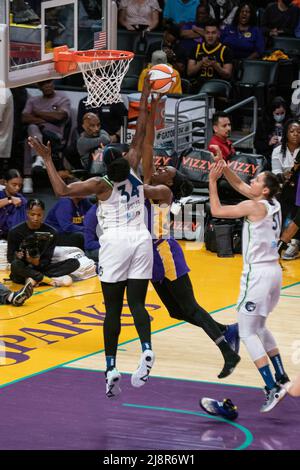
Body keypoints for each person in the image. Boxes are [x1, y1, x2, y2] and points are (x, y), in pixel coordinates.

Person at [28, 79, 161, 398]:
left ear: (105, 164)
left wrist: (47, 158)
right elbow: (141, 132)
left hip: (115, 242)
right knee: (138, 303)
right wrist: (145, 99)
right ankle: (145, 347)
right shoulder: (133, 170)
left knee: (113, 310)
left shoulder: (100, 184)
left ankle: (111, 366)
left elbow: (60, 191)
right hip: (141, 239)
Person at [140, 94, 241, 379]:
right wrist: (150, 115)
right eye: (159, 167)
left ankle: (228, 353)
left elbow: (145, 153)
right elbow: (147, 149)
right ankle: (225, 330)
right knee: (176, 311)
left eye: (165, 169)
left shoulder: (162, 192)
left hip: (165, 253)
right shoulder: (155, 183)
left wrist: (149, 118)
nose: (159, 169)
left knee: (192, 308)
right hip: (152, 257)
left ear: (171, 180)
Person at [209, 159, 290, 412]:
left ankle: (271, 388)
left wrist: (212, 181)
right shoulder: (273, 202)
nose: (251, 182)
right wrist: (224, 169)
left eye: (256, 180)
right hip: (275, 274)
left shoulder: (253, 207)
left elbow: (217, 211)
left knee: (246, 332)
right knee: (261, 326)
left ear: (264, 189)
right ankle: (281, 377)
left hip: (257, 276)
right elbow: (241, 185)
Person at [7, 198, 80, 287]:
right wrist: (17, 257)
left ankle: (34, 279)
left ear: (43, 214)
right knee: (15, 265)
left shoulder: (52, 232)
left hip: (41, 267)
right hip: (23, 268)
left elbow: (48, 257)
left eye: (39, 215)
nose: (36, 218)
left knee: (74, 262)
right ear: (27, 213)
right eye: (32, 214)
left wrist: (37, 262)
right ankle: (46, 280)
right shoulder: (15, 232)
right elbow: (10, 258)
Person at [21, 80, 71, 193]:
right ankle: (38, 158)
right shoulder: (33, 100)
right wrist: (47, 119)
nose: (47, 85)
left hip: (54, 136)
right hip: (37, 134)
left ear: (53, 83)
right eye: (43, 84)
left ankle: (28, 178)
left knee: (31, 137)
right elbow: (24, 118)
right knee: (31, 132)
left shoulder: (62, 98)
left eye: (49, 82)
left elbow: (59, 117)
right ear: (39, 86)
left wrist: (37, 113)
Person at [187, 19, 234, 94]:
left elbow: (227, 75)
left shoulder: (225, 50)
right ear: (204, 34)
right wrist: (201, 63)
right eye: (207, 33)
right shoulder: (196, 48)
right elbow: (189, 72)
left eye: (213, 33)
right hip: (198, 87)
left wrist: (215, 65)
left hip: (217, 88)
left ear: (218, 34)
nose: (210, 36)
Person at [254, 96, 291, 168]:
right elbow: (256, 144)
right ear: (271, 112)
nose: (280, 116)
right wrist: (269, 142)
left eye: (282, 113)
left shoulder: (290, 122)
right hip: (268, 159)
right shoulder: (263, 123)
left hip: (287, 159)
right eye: (277, 114)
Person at [0, 169, 27, 240]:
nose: (17, 188)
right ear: (5, 182)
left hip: (10, 237)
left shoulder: (22, 200)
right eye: (14, 185)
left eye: (20, 185)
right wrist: (10, 199)